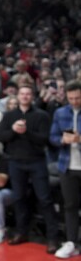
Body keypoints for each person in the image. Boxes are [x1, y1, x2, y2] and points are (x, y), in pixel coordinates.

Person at [0, 84, 59, 254]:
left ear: (32, 96)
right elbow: (1, 137)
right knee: (18, 198)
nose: (24, 96)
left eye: (27, 94)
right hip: (16, 162)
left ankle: (53, 238)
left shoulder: (41, 115)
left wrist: (25, 132)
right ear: (17, 96)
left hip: (36, 161)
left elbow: (45, 140)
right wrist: (13, 130)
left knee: (45, 199)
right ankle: (21, 232)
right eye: (22, 94)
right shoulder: (9, 115)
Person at [49, 80, 81, 258]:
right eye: (71, 98)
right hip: (67, 165)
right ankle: (71, 242)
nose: (75, 101)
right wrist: (63, 139)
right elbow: (52, 137)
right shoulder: (60, 113)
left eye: (77, 98)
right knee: (69, 206)